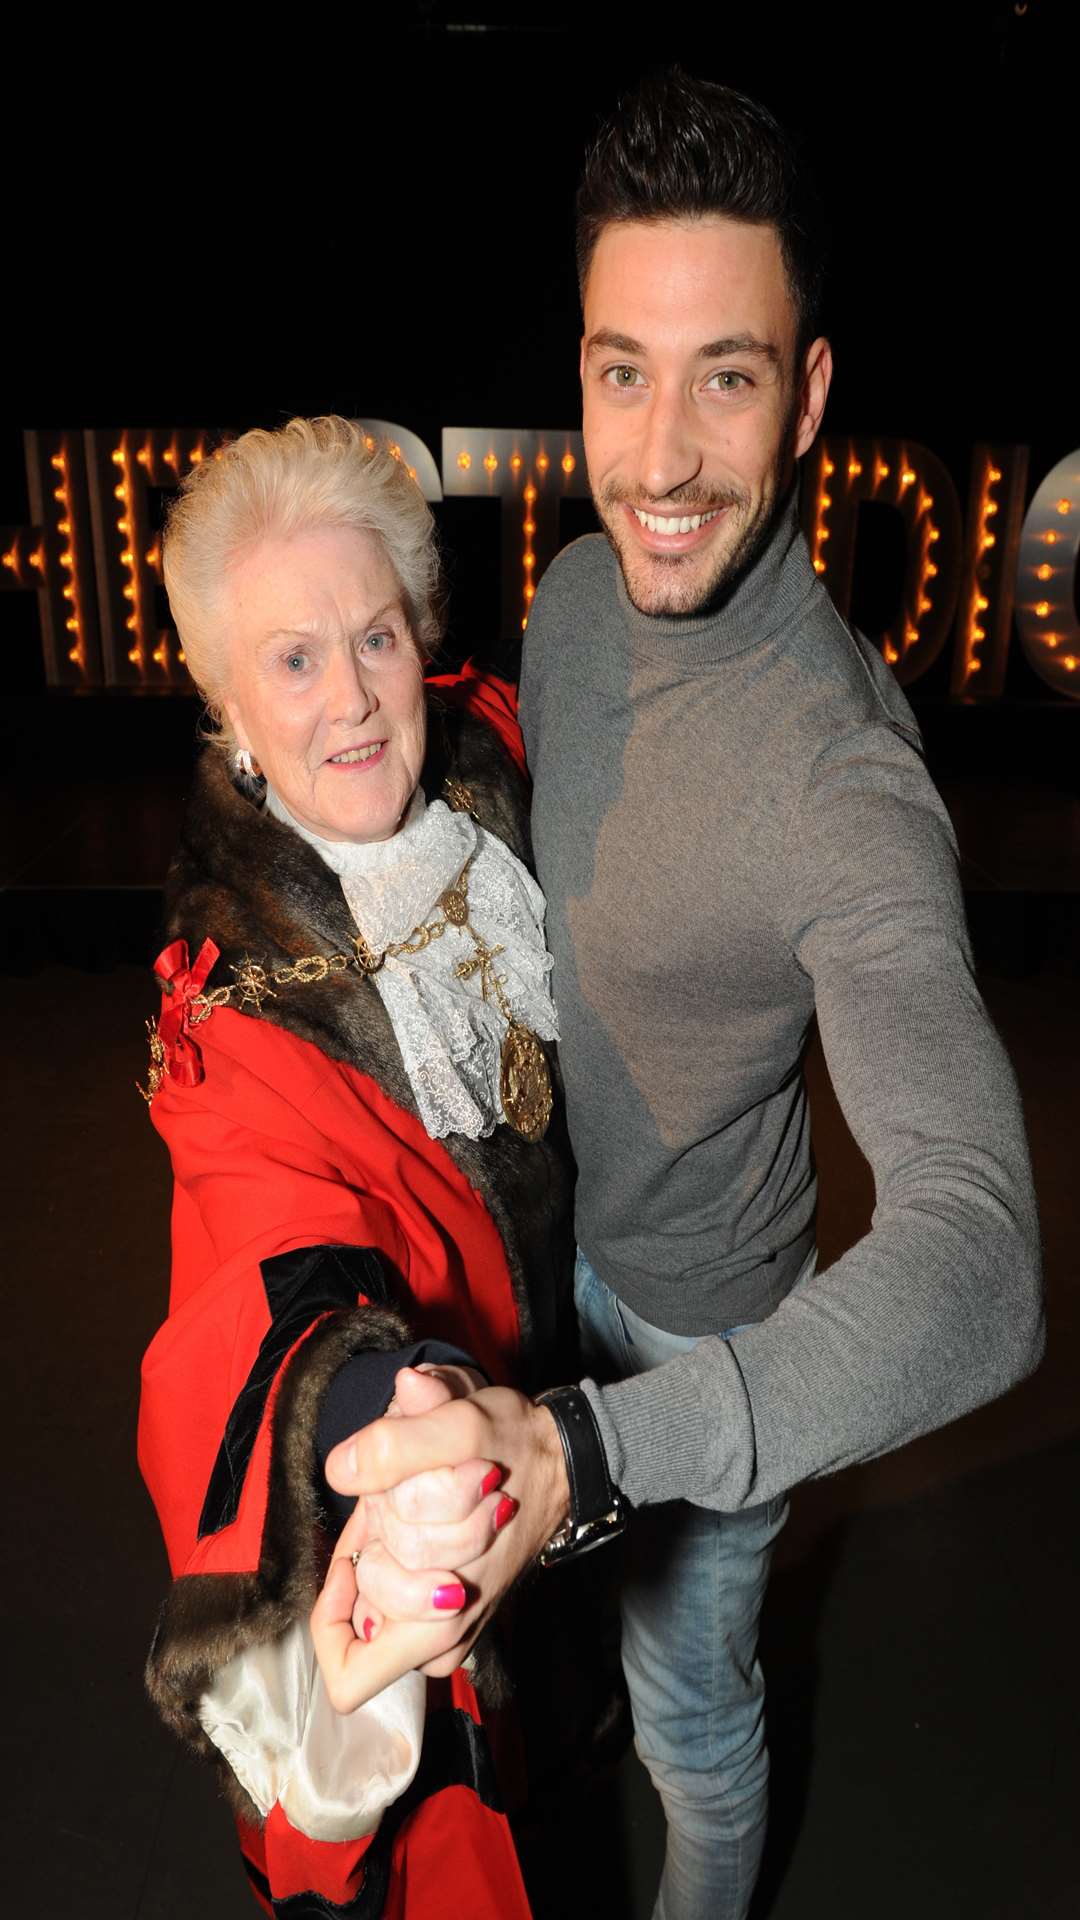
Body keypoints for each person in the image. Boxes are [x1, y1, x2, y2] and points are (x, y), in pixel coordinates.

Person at [318, 70, 1045, 1920]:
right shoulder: (567, 597)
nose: (659, 459)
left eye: (724, 376)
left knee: (694, 1728)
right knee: (538, 1660)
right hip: (542, 1264)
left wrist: (598, 1443)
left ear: (808, 394)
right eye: (621, 371)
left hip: (708, 1344)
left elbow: (981, 1257)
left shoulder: (846, 781)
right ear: (574, 369)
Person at [136, 414, 575, 1917]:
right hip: (433, 1480)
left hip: (580, 1430)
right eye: (294, 660)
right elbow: (266, 1256)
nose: (353, 701)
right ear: (227, 706)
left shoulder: (493, 766)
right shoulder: (231, 1011)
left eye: (374, 637)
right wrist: (398, 1409)